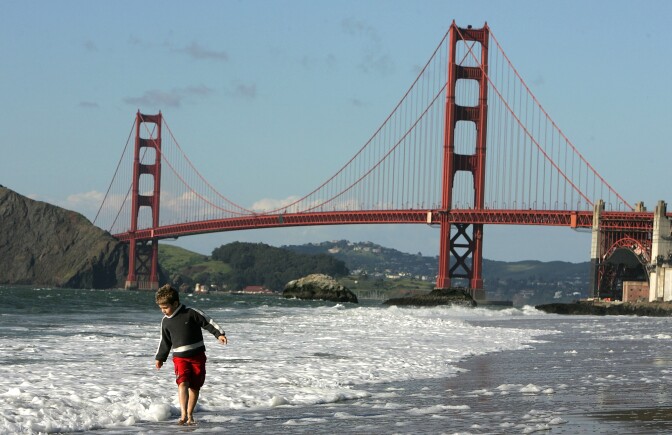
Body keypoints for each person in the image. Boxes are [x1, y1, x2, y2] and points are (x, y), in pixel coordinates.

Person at [154, 284, 228, 425]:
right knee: (182, 383)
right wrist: (160, 358)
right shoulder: (165, 322)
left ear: (175, 303)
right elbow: (164, 341)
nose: (163, 311)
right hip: (180, 358)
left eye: (165, 307)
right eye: (161, 308)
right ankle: (182, 415)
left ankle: (190, 414)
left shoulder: (190, 313)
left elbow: (208, 322)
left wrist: (219, 334)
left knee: (194, 386)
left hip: (197, 356)